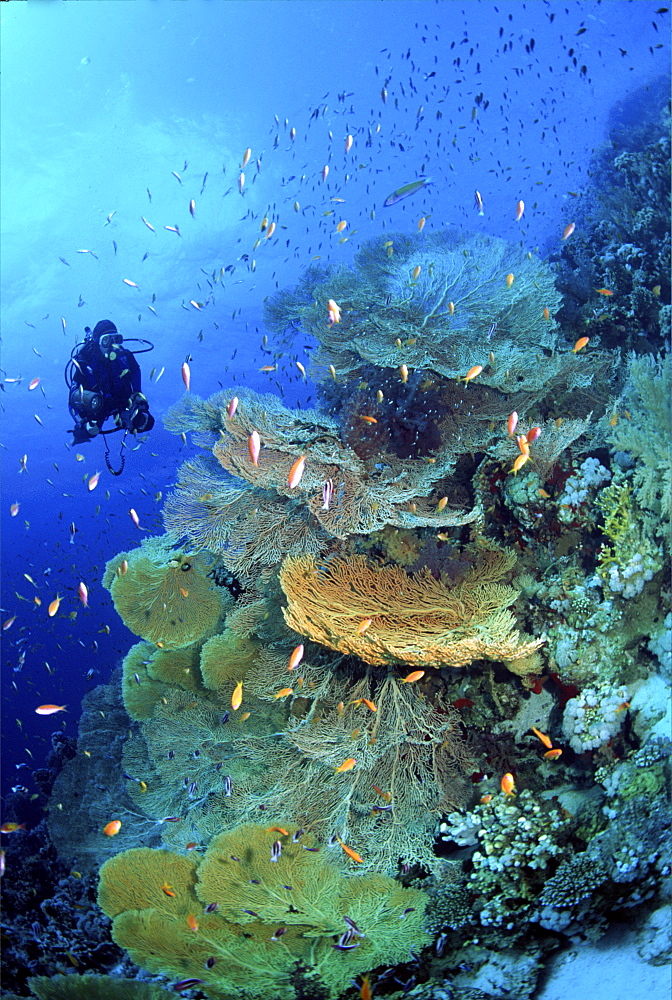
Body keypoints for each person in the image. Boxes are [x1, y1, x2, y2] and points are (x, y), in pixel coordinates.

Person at [66, 320, 155, 446]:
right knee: (87, 433)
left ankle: (125, 420)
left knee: (146, 422)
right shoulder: (86, 363)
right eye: (107, 340)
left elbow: (135, 370)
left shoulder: (124, 356)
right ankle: (75, 439)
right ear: (98, 342)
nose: (112, 345)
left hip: (123, 400)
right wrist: (80, 421)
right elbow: (72, 399)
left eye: (116, 339)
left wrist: (137, 393)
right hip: (98, 406)